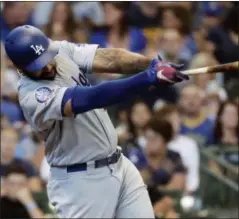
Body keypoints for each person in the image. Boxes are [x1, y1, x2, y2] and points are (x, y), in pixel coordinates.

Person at [4, 25, 189, 218]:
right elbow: (90, 98)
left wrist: (151, 64)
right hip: (81, 181)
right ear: (19, 68)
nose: (48, 66)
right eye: (38, 66)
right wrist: (147, 78)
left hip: (118, 164)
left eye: (47, 58)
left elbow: (109, 58)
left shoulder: (57, 50)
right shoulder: (32, 95)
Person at [130, 118, 186, 218]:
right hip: (140, 201)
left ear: (165, 140)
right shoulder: (139, 156)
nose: (149, 142)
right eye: (147, 138)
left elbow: (177, 185)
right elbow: (138, 183)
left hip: (167, 201)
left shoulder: (174, 157)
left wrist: (159, 191)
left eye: (154, 138)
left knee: (169, 210)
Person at [154, 104, 200, 194]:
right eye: (170, 119)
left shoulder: (189, 144)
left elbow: (193, 174)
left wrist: (189, 192)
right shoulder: (150, 143)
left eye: (176, 119)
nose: (174, 122)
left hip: (184, 193)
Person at [0, 127, 42, 192]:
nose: (8, 144)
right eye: (4, 140)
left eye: (12, 140)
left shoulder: (26, 166)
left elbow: (36, 189)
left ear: (17, 144)